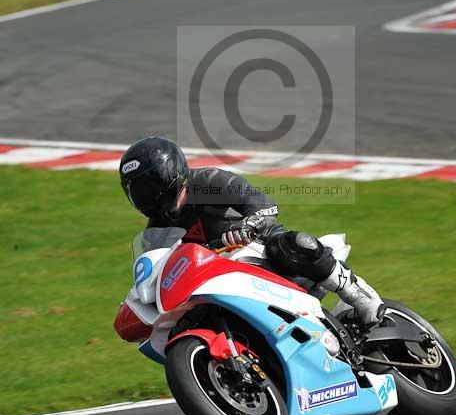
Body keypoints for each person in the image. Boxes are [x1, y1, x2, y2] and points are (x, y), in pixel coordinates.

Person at [119, 136, 384, 328]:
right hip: (214, 277)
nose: (149, 196)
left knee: (292, 244)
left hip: (258, 249)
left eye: (152, 185)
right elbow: (155, 273)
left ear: (172, 173)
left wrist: (247, 227)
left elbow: (263, 204)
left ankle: (356, 295)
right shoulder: (156, 231)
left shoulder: (208, 182)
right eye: (139, 191)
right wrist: (137, 300)